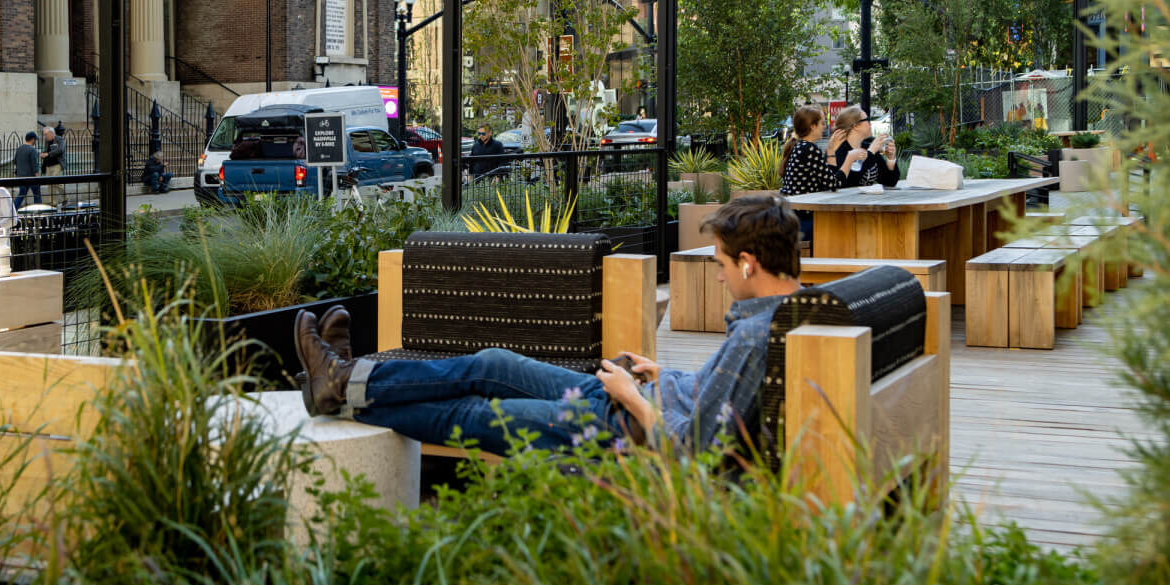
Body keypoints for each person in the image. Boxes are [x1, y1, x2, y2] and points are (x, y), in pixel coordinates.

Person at [292, 195, 804, 455]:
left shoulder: (761, 335)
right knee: (491, 362)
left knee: (473, 414)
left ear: (748, 263)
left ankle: (341, 391)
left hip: (620, 427)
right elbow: (716, 401)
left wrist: (631, 397)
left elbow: (693, 448)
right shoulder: (785, 314)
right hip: (634, 398)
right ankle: (344, 377)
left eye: (719, 262)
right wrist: (660, 374)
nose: (717, 275)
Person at [778, 104, 866, 244]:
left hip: (792, 215)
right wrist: (850, 159)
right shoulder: (809, 149)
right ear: (812, 126)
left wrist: (831, 150)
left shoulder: (802, 147)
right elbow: (834, 184)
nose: (824, 127)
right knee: (847, 228)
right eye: (822, 123)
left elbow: (828, 180)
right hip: (802, 219)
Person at [828, 105, 899, 189]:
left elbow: (890, 182)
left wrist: (891, 159)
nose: (870, 123)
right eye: (867, 120)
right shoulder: (838, 150)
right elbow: (848, 184)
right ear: (855, 125)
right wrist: (871, 152)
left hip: (867, 201)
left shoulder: (867, 147)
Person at [12, 130, 42, 208]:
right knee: (37, 195)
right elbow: (34, 164)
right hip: (32, 177)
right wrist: (38, 177)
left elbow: (15, 161)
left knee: (21, 195)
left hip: (21, 176)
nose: (35, 141)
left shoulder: (19, 149)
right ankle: (38, 211)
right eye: (35, 139)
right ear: (32, 139)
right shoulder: (32, 150)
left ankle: (13, 210)